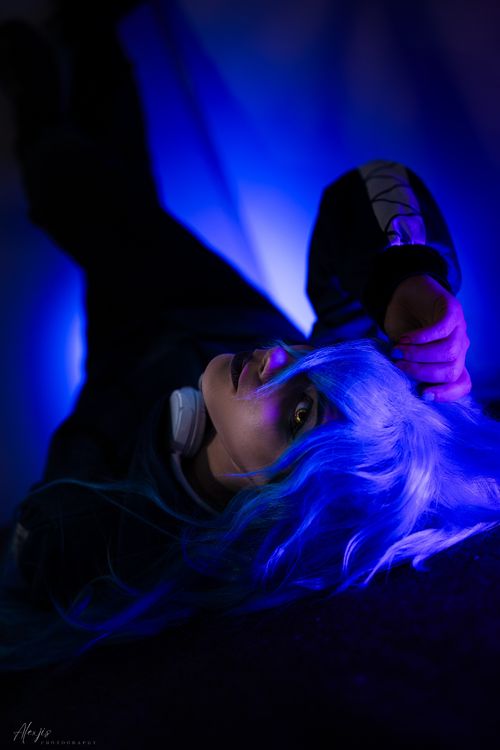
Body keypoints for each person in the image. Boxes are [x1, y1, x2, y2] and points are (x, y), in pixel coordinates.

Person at [0, 15, 497, 672]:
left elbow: (40, 544)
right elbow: (369, 184)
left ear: (281, 518)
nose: (278, 359)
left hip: (126, 350)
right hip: (209, 303)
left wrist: (124, 451)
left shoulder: (111, 550)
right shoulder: (356, 430)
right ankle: (90, 40)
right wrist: (404, 274)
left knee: (72, 183)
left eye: (298, 414)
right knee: (99, 192)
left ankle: (54, 76)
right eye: (312, 368)